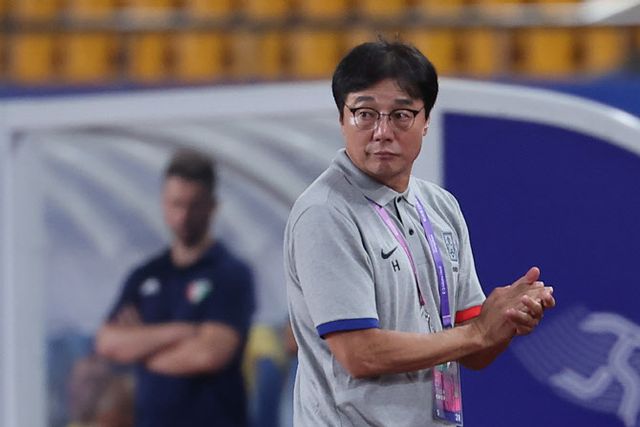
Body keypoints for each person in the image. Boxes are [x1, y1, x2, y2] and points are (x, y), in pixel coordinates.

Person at [283, 40, 556, 426]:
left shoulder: (441, 207)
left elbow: (472, 352)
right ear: (342, 119)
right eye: (364, 114)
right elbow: (360, 354)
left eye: (401, 115)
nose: (382, 132)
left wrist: (505, 321)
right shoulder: (326, 212)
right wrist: (479, 332)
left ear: (425, 120)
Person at [96, 148, 255, 427]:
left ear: (211, 206)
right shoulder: (146, 275)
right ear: (163, 202)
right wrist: (182, 331)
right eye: (176, 204)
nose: (183, 216)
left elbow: (209, 353)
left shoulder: (230, 274)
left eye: (193, 206)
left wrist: (141, 349)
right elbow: (108, 342)